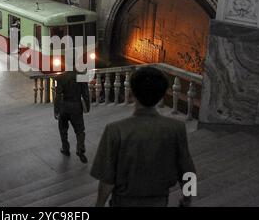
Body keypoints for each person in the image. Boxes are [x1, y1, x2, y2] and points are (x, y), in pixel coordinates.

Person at [90, 67, 196, 207]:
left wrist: (99, 204)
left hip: (123, 202)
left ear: (132, 93)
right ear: (162, 94)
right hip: (159, 201)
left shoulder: (115, 130)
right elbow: (188, 171)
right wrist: (188, 199)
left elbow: (107, 180)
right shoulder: (176, 128)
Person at [54, 70, 90, 163]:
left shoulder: (61, 77)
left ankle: (65, 148)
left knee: (63, 129)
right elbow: (86, 94)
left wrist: (56, 110)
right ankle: (80, 149)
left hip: (64, 106)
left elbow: (58, 95)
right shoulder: (82, 77)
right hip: (76, 107)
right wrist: (87, 107)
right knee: (80, 130)